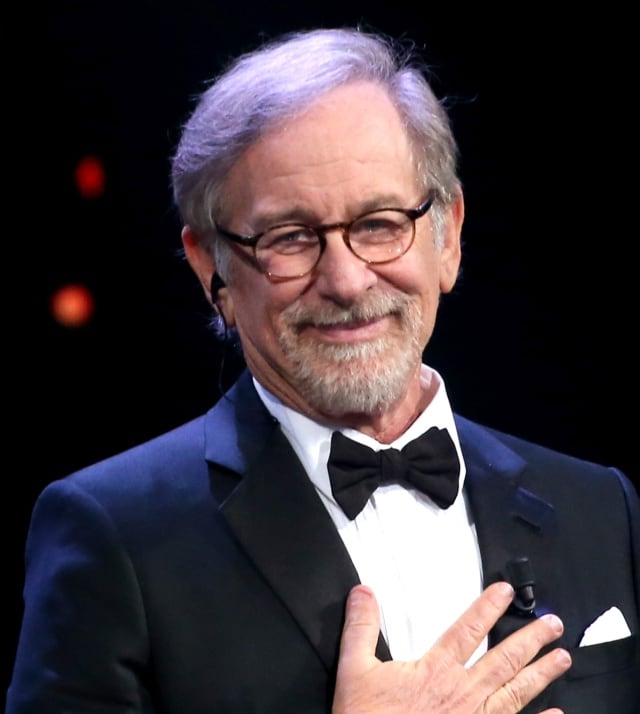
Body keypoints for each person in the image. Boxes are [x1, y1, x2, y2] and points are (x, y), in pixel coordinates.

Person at [7, 26, 639, 714]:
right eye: (290, 238)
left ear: (448, 235)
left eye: (379, 223)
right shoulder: (115, 533)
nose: (345, 279)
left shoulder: (601, 509)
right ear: (210, 268)